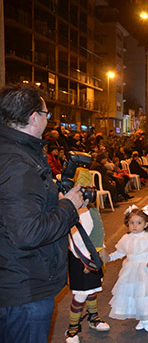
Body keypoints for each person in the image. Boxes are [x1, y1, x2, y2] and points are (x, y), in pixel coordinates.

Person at [0, 84, 84, 343]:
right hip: (24, 288)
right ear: (33, 117)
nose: (48, 120)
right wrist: (69, 206)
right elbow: (28, 232)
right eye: (46, 114)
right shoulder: (19, 164)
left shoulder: (13, 152)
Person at [65, 205, 110, 343]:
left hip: (93, 256)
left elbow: (97, 232)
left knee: (93, 289)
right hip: (81, 257)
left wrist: (102, 250)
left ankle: (93, 318)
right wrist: (87, 261)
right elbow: (76, 238)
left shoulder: (91, 209)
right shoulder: (73, 210)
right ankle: (72, 329)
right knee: (81, 293)